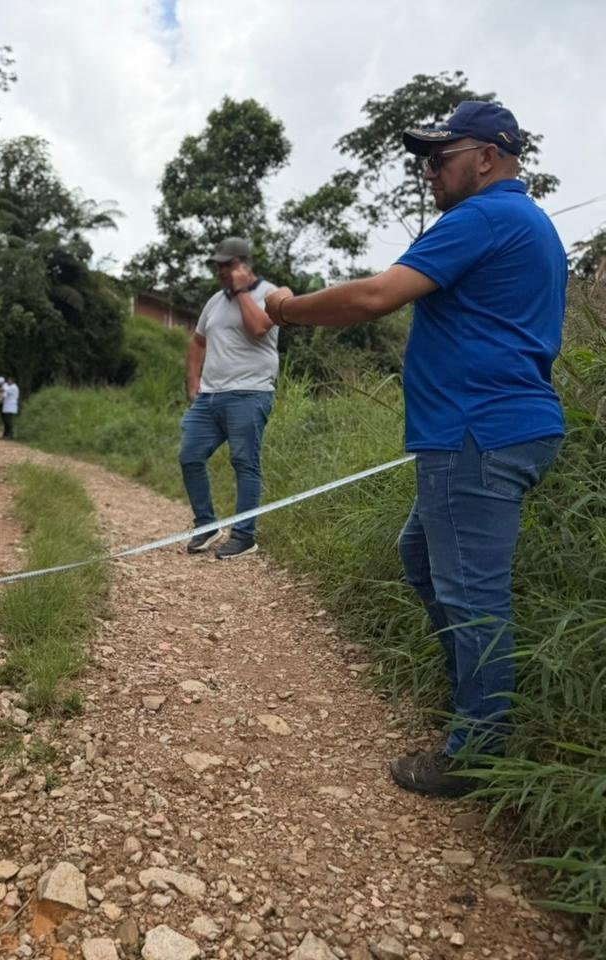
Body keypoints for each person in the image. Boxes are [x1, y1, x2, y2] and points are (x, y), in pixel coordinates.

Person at [262, 102, 565, 798]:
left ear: (486, 156)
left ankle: (478, 753)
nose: (429, 172)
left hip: (477, 434)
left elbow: (374, 298)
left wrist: (285, 307)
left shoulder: (484, 217)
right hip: (499, 428)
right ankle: (471, 693)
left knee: (473, 595)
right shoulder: (530, 224)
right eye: (424, 160)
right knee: (423, 556)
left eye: (441, 157)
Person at [179, 237, 281, 560]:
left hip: (250, 394)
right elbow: (197, 342)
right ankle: (206, 525)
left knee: (244, 461)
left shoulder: (271, 294)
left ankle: (244, 535)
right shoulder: (213, 302)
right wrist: (193, 380)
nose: (220, 271)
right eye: (218, 265)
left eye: (227, 265)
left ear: (243, 264)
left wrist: (240, 293)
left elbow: (259, 328)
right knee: (189, 456)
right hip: (209, 397)